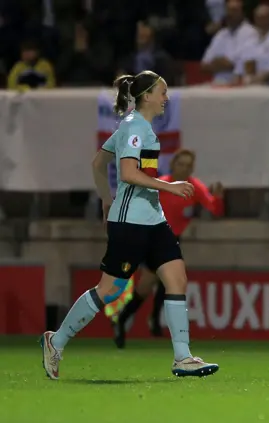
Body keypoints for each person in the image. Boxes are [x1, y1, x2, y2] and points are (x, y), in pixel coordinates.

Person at [41, 71, 219, 380]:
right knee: (109, 289)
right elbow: (127, 172)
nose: (166, 98)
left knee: (176, 278)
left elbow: (98, 163)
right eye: (162, 92)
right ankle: (55, 341)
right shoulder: (136, 127)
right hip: (131, 222)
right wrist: (170, 187)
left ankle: (183, 357)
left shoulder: (133, 126)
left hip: (153, 219)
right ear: (147, 95)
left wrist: (106, 199)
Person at [112, 149, 225, 348]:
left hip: (172, 239)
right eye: (181, 164)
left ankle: (144, 320)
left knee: (167, 280)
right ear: (173, 165)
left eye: (188, 165)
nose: (184, 168)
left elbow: (214, 209)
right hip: (151, 237)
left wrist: (218, 198)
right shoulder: (161, 185)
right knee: (149, 283)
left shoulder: (194, 187)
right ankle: (127, 320)